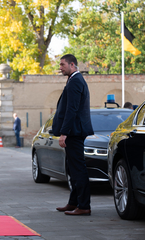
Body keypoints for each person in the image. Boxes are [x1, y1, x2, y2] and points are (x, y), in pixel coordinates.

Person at [52, 54, 94, 216]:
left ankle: (84, 206)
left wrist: (64, 133)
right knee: (72, 168)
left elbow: (72, 109)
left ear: (72, 65)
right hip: (75, 131)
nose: (60, 67)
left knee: (78, 169)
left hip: (74, 133)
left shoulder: (76, 81)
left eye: (63, 65)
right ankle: (73, 202)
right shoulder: (74, 79)